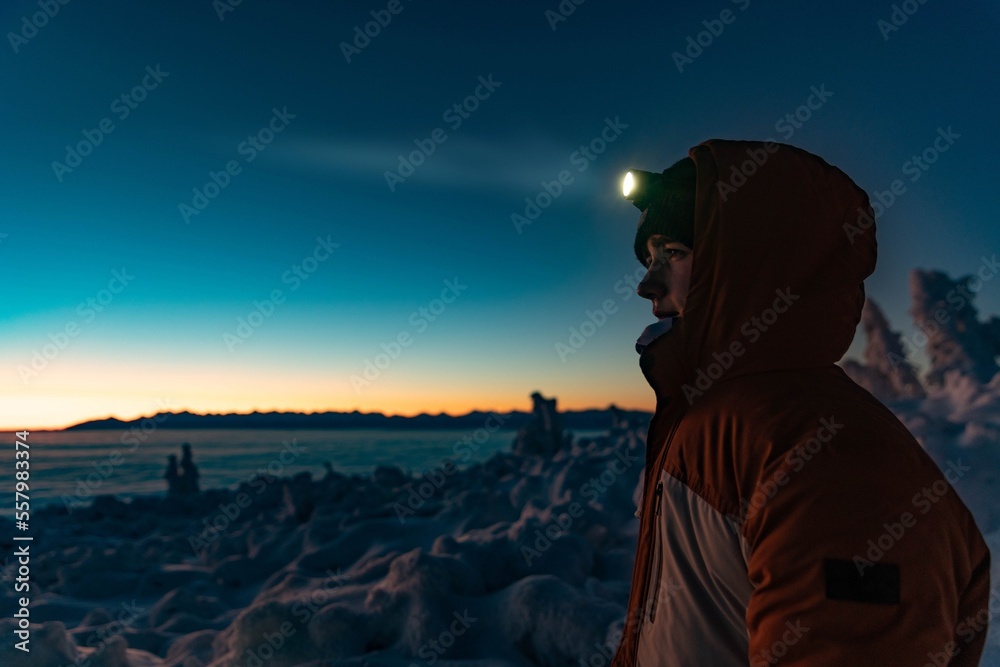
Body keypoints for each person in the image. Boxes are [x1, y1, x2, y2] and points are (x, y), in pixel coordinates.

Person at [610, 139, 991, 666]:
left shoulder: (829, 453)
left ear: (749, 259)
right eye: (649, 259)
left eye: (672, 253)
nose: (646, 284)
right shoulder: (706, 418)